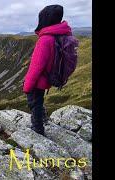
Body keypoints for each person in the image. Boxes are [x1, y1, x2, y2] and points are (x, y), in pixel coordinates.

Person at [23, 5, 72, 135]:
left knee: (35, 102)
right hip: (50, 76)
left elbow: (36, 66)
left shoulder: (45, 40)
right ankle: (43, 117)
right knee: (39, 100)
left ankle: (38, 128)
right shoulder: (60, 35)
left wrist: (27, 86)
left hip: (40, 79)